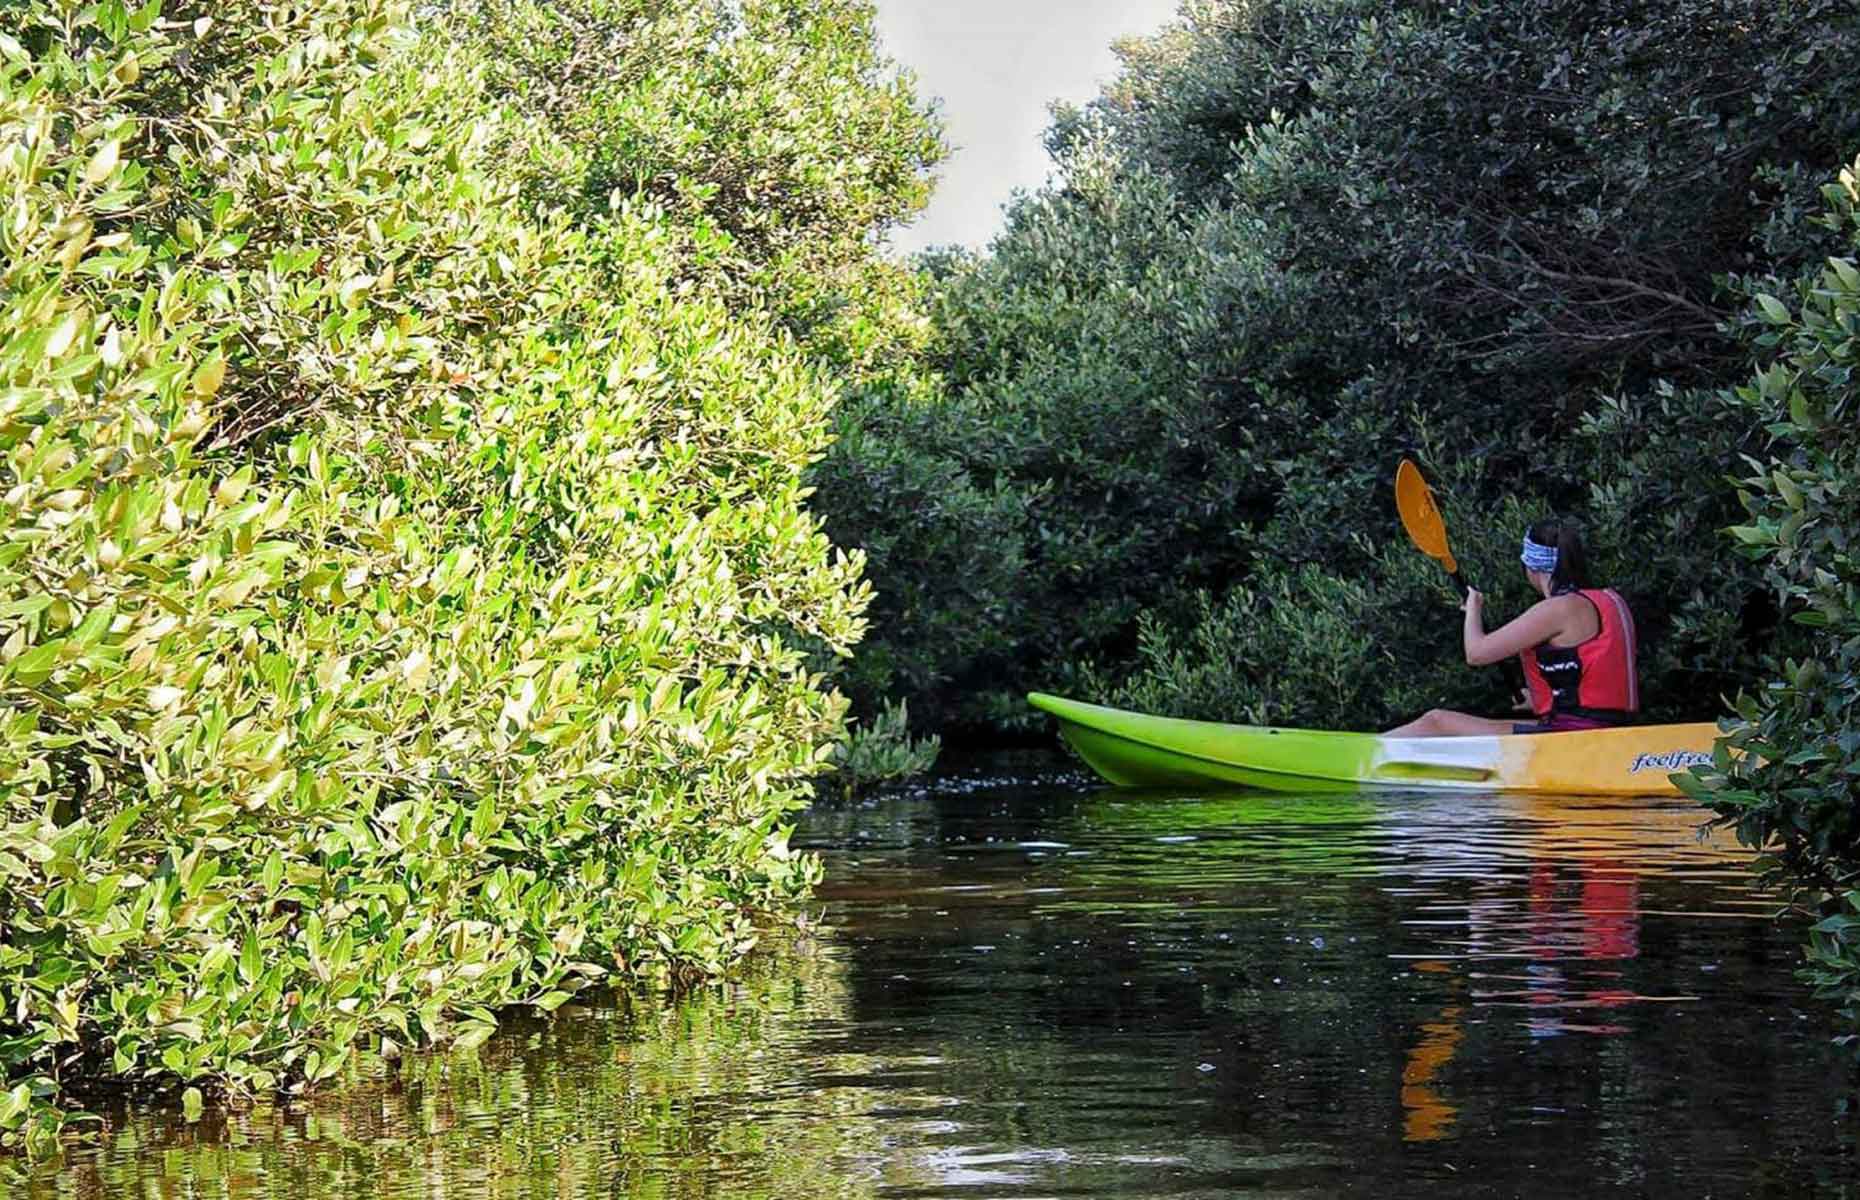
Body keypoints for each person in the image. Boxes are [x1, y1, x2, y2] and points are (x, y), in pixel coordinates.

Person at [1386, 519, 1639, 737]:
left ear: (1531, 566)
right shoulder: (1607, 600)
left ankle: (1354, 756)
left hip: (1572, 739)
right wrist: (1538, 699)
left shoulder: (1558, 609)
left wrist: (1473, 608)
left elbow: (1476, 653)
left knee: (1437, 721)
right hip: (1604, 733)